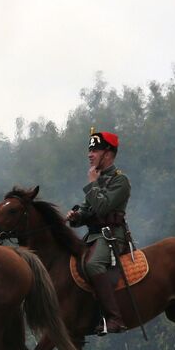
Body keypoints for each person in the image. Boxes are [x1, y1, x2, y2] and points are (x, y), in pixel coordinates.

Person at [68, 129, 131, 333]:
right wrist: (76, 216)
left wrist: (93, 184)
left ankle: (115, 318)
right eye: (90, 150)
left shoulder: (120, 181)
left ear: (108, 153)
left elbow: (103, 208)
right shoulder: (97, 179)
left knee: (94, 264)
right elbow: (88, 211)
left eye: (95, 150)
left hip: (113, 235)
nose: (90, 154)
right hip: (93, 235)